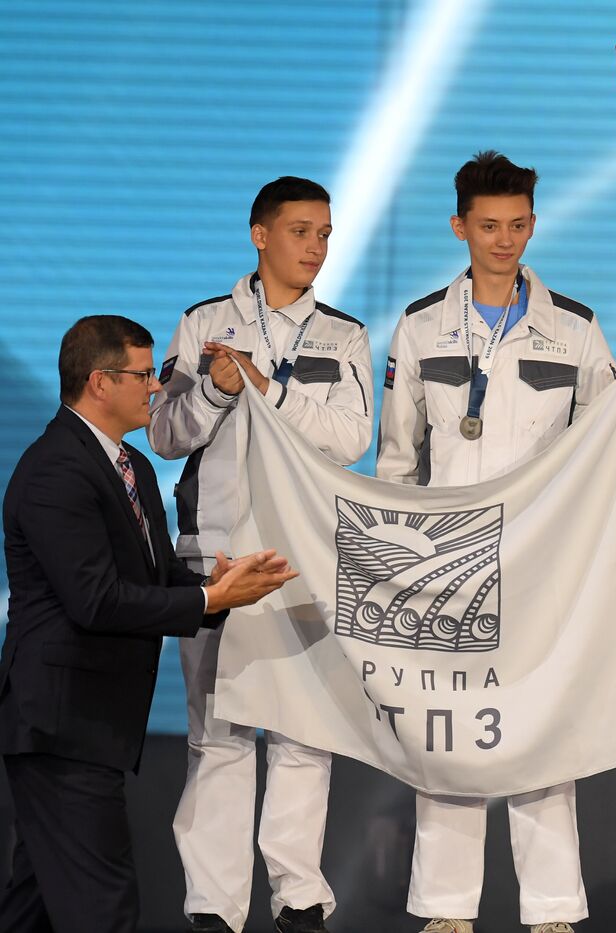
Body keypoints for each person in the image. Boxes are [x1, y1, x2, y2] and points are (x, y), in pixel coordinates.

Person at [377, 150, 616, 933]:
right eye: (488, 225)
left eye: (517, 225)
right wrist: (403, 564)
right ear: (460, 226)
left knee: (541, 735)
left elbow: (608, 438)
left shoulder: (574, 327)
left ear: (534, 224)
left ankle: (552, 913)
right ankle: (445, 913)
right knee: (448, 738)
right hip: (444, 565)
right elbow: (399, 462)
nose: (504, 240)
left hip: (541, 563)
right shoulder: (418, 324)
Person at [0, 315, 297, 933]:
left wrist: (227, 589)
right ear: (99, 382)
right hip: (61, 726)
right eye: (144, 376)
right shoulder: (58, 469)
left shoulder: (126, 463)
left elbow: (154, 581)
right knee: (103, 910)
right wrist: (211, 600)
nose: (157, 388)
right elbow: (98, 602)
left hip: (88, 727)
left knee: (35, 907)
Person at [147, 177, 374, 933]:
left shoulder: (343, 334)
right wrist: (213, 391)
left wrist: (264, 386)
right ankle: (212, 908)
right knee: (219, 734)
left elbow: (349, 440)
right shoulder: (204, 321)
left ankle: (299, 899)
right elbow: (165, 433)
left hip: (305, 558)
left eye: (325, 233)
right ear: (260, 234)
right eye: (302, 230)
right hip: (215, 563)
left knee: (307, 731)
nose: (316, 246)